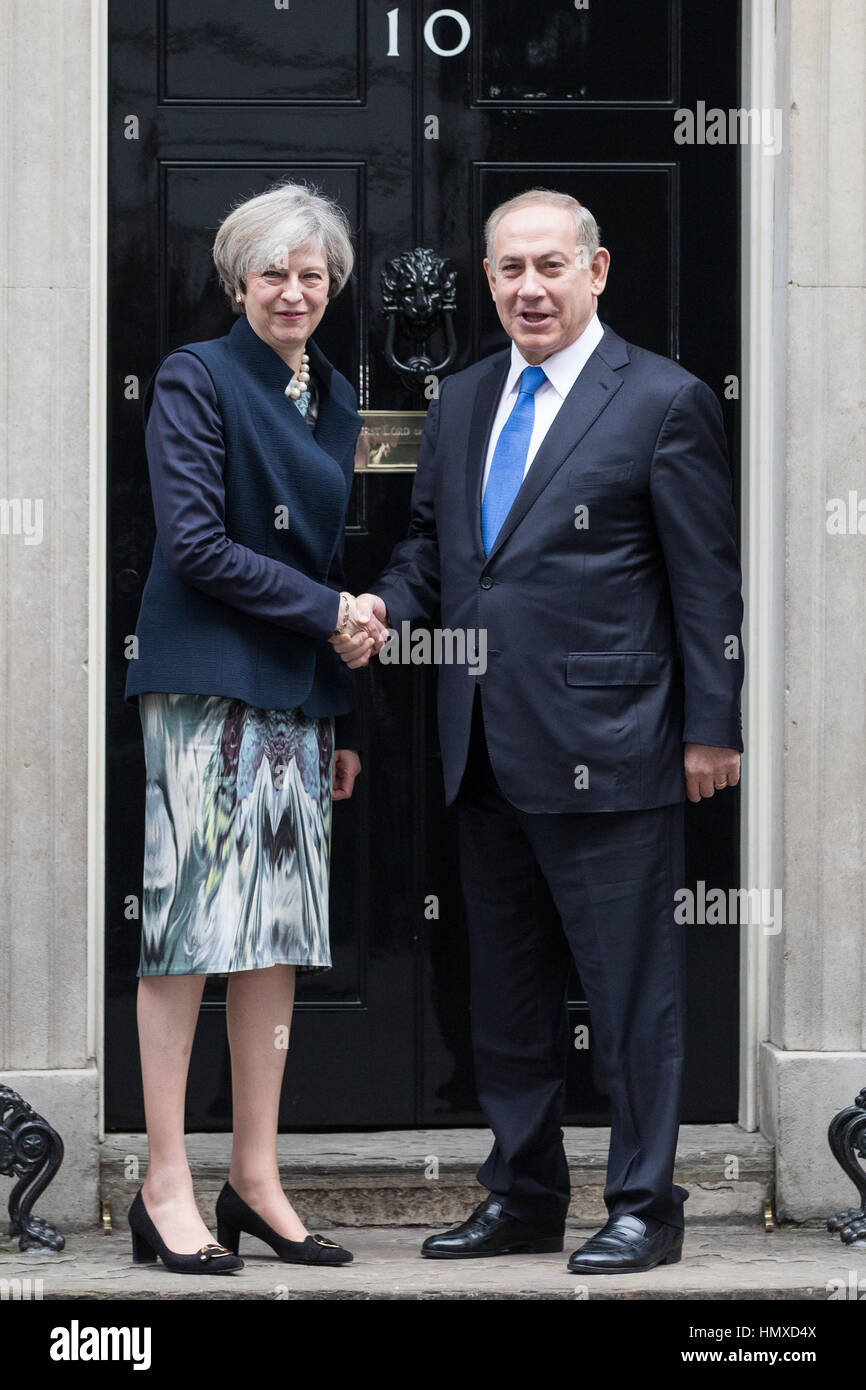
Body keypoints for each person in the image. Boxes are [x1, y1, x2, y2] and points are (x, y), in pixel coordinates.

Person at [332, 188, 744, 1274]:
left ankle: (644, 1208)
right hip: (482, 745)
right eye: (509, 269)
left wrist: (711, 727)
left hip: (616, 744)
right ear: (487, 278)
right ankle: (521, 1193)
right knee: (505, 999)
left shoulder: (661, 399)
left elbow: (705, 585)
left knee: (628, 997)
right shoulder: (464, 400)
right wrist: (384, 608)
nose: (528, 287)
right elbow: (432, 547)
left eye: (549, 266)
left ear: (594, 272)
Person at [124, 180, 387, 1274]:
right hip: (200, 690)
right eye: (272, 271)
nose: (293, 289)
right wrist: (330, 615)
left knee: (274, 941)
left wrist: (342, 707)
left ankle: (255, 1178)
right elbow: (193, 545)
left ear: (330, 290)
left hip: (291, 696)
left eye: (311, 273)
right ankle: (163, 1182)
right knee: (188, 935)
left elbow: (320, 561)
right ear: (238, 282)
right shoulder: (197, 378)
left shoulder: (331, 395)